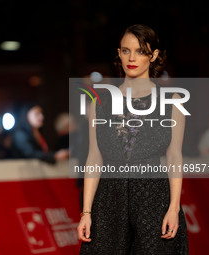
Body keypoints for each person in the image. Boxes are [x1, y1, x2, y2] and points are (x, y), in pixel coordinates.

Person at [77, 24, 189, 254]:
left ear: (154, 55)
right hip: (109, 200)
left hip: (153, 198)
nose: (132, 57)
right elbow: (94, 158)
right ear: (119, 53)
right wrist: (86, 212)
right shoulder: (99, 104)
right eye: (126, 50)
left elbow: (174, 156)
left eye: (140, 51)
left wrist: (173, 208)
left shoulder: (172, 101)